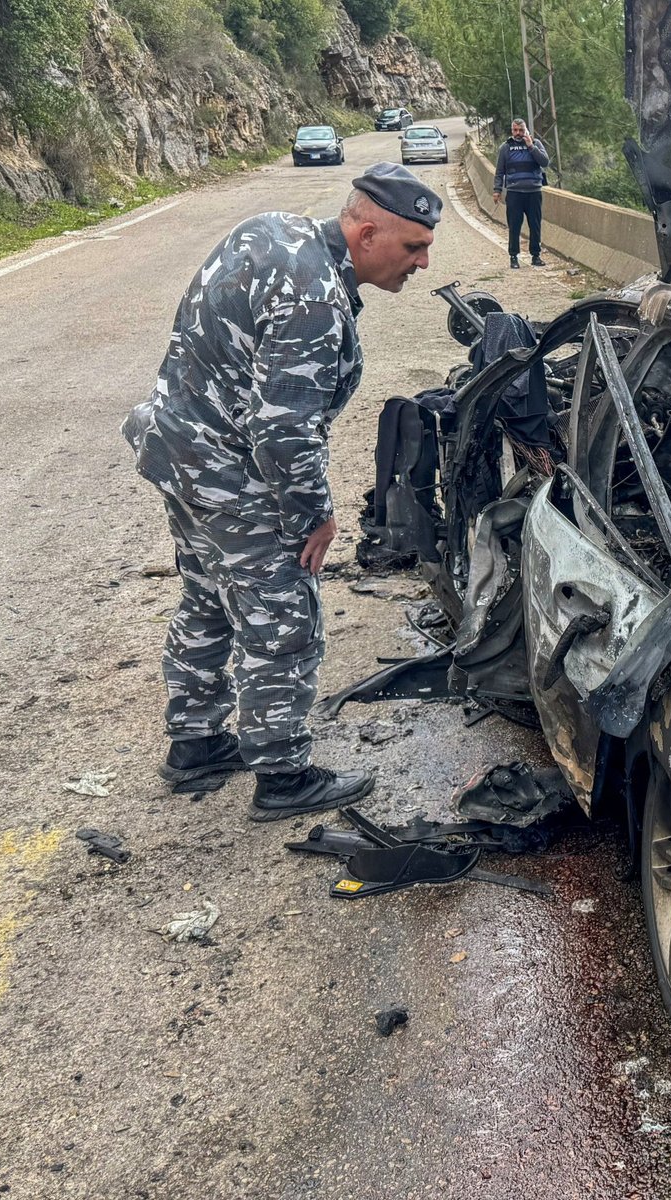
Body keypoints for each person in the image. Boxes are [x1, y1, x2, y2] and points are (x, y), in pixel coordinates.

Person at [122, 163, 441, 822]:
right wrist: (311, 518)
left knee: (209, 597)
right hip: (231, 471)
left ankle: (198, 742)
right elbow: (283, 430)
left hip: (179, 451)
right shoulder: (316, 298)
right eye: (413, 247)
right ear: (365, 229)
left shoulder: (276, 232)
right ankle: (284, 774)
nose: (423, 262)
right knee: (283, 622)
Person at [492, 118, 550, 269]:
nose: (518, 133)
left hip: (534, 192)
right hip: (514, 193)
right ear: (512, 131)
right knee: (514, 226)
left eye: (521, 130)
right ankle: (513, 257)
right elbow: (499, 172)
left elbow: (545, 162)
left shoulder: (536, 144)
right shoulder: (506, 147)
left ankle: (536, 256)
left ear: (526, 130)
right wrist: (497, 190)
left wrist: (530, 146)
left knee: (535, 225)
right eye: (515, 130)